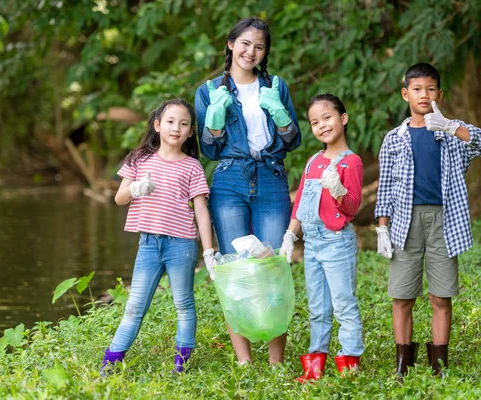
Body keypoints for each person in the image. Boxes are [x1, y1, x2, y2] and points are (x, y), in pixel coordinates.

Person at [374, 63, 481, 377]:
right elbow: (385, 186)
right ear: (405, 94)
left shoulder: (451, 134)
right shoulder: (394, 139)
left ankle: (439, 364)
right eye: (416, 89)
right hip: (404, 222)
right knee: (402, 296)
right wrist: (381, 227)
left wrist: (452, 127)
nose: (423, 95)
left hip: (445, 221)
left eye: (430, 89)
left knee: (441, 294)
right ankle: (403, 364)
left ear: (439, 93)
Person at [194, 16, 301, 365]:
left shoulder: (277, 86)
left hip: (270, 177)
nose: (250, 51)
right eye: (245, 43)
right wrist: (213, 120)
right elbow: (209, 149)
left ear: (265, 51)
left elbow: (293, 140)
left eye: (259, 46)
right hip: (229, 178)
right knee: (234, 270)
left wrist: (280, 114)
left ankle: (276, 361)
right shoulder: (209, 91)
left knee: (272, 267)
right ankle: (244, 360)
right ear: (230, 44)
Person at [100, 99, 217, 375]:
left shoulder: (192, 167)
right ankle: (109, 364)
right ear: (157, 125)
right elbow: (119, 199)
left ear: (190, 132)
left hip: (182, 245)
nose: (176, 128)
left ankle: (181, 366)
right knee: (134, 307)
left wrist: (209, 252)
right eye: (170, 121)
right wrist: (136, 189)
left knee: (184, 304)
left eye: (184, 124)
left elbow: (201, 211)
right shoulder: (138, 160)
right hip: (149, 245)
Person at [281, 94, 364, 383]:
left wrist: (339, 190)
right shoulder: (313, 161)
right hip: (313, 242)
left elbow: (353, 206)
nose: (322, 125)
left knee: (344, 304)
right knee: (318, 307)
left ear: (343, 118)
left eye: (327, 118)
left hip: (336, 241)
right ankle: (314, 367)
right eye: (315, 122)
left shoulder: (350, 162)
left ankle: (349, 365)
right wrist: (291, 234)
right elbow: (302, 201)